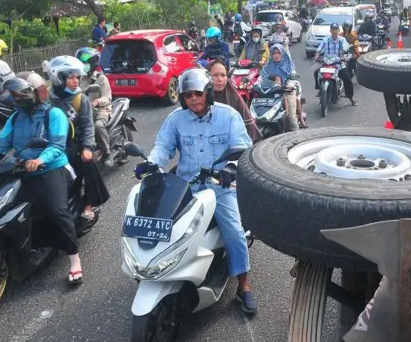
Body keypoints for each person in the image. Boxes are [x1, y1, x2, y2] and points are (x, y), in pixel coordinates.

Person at [138, 68, 258, 314]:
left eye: (196, 93)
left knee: (234, 231)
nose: (192, 98)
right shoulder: (175, 119)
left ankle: (244, 286)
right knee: (162, 223)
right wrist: (152, 163)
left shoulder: (229, 116)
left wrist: (232, 168)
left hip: (220, 186)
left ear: (208, 93)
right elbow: (163, 147)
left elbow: (243, 148)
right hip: (186, 186)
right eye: (187, 95)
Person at [0, 72, 84, 284]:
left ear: (38, 93)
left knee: (57, 211)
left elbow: (57, 146)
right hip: (22, 170)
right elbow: (0, 146)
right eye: (14, 95)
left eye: (21, 94)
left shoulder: (54, 114)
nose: (17, 99)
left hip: (52, 169)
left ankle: (74, 259)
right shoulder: (16, 117)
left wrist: (40, 160)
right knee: (4, 208)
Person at [46, 55, 110, 222]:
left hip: (77, 143)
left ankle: (88, 204)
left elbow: (88, 125)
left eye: (77, 77)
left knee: (90, 164)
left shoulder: (80, 98)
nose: (76, 81)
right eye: (71, 77)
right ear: (58, 78)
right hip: (55, 143)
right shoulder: (47, 99)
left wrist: (87, 148)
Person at [75, 47, 114, 168]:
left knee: (97, 126)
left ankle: (108, 153)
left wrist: (97, 101)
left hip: (100, 110)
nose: (84, 65)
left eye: (86, 62)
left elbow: (108, 98)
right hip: (84, 111)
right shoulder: (80, 79)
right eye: (82, 62)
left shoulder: (101, 78)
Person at [208, 60, 262, 141]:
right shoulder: (198, 98)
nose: (220, 79)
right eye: (215, 75)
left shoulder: (233, 97)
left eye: (223, 75)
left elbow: (249, 129)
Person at [260, 44, 307, 130]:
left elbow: (292, 77)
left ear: (282, 53)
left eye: (278, 53)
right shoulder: (268, 65)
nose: (276, 55)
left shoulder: (288, 64)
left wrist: (289, 85)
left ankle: (295, 130)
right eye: (274, 53)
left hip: (287, 90)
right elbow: (261, 77)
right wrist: (255, 84)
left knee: (291, 116)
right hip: (271, 91)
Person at [313, 23, 356, 106]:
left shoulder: (342, 40)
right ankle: (321, 89)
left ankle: (351, 98)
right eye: (332, 29)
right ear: (330, 31)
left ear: (338, 31)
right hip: (326, 64)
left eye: (336, 29)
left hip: (338, 65)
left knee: (348, 80)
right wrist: (317, 55)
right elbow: (319, 48)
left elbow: (345, 48)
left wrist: (344, 56)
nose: (334, 31)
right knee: (316, 73)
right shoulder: (325, 40)